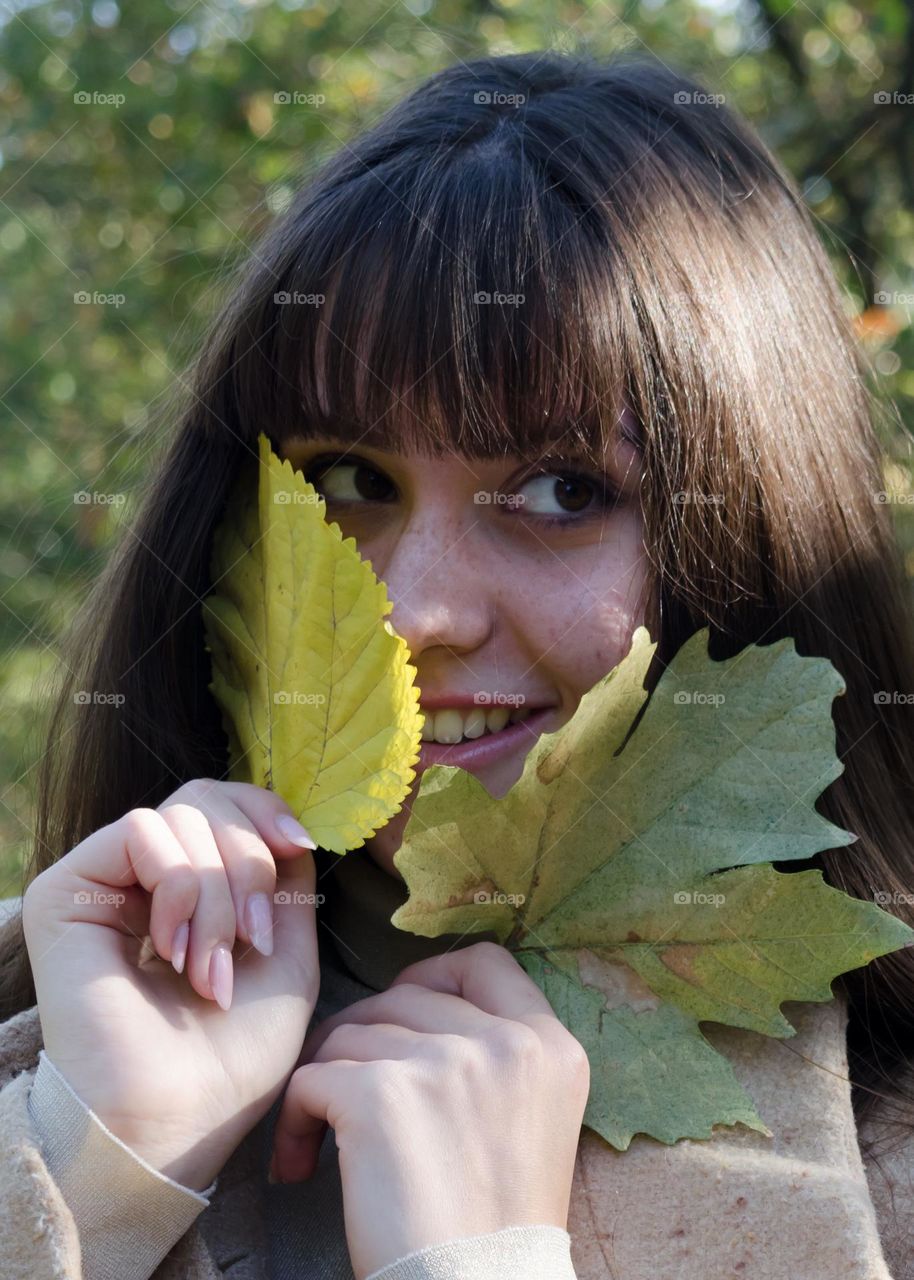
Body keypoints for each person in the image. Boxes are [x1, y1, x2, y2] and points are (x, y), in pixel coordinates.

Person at [1, 46, 913, 1280]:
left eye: (558, 488)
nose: (415, 609)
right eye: (347, 479)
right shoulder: (52, 1048)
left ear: (755, 532)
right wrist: (93, 1167)